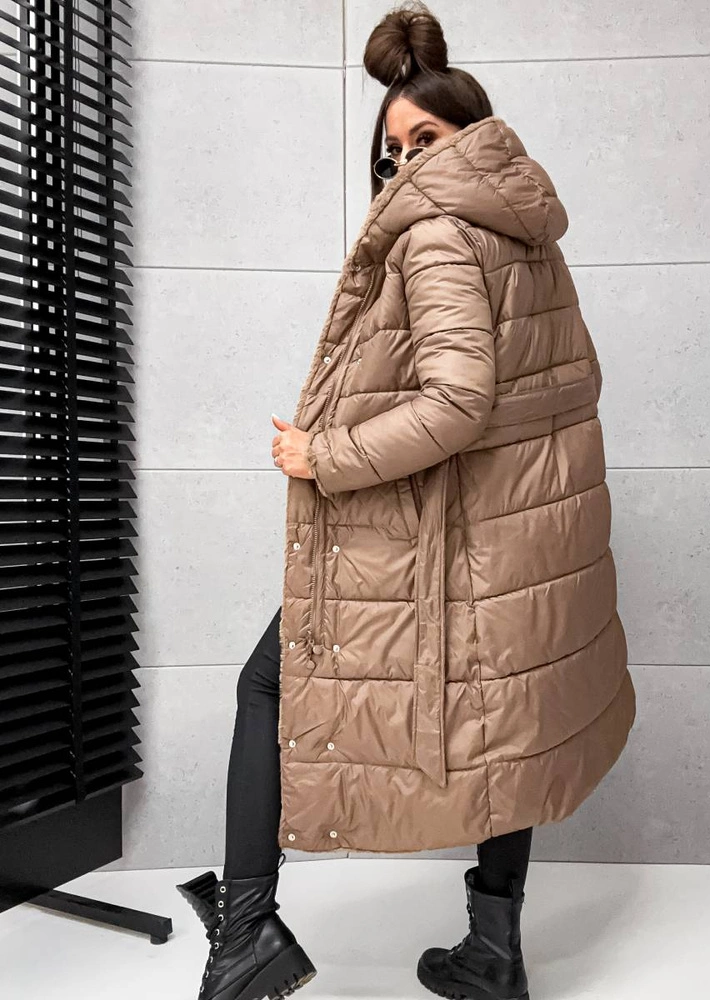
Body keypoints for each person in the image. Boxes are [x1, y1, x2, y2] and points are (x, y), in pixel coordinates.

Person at [176, 4, 636, 1000]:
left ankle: (246, 937)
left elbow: (459, 403)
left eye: (425, 139)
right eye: (394, 151)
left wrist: (323, 453)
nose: (405, 164)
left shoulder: (435, 234)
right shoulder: (523, 226)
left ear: (471, 131)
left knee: (267, 686)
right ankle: (493, 955)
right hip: (520, 536)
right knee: (509, 725)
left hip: (453, 533)